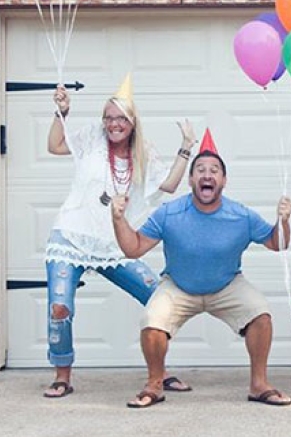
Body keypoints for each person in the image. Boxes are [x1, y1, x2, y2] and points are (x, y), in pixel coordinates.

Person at [111, 132, 291, 408]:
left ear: (223, 180)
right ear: (191, 180)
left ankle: (259, 385)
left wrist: (283, 220)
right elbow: (133, 248)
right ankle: (155, 384)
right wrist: (118, 218)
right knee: (152, 321)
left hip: (227, 284)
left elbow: (276, 243)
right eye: (200, 170)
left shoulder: (241, 215)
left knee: (261, 314)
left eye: (214, 170)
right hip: (179, 285)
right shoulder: (169, 213)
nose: (207, 175)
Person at [43, 75, 195, 398]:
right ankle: (62, 375)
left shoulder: (144, 153)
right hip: (71, 237)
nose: (114, 124)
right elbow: (55, 145)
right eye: (109, 117)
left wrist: (186, 148)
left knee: (158, 297)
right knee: (60, 307)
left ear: (132, 122)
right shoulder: (91, 138)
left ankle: (159, 371)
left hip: (113, 242)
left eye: (120, 118)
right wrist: (62, 113)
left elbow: (167, 185)